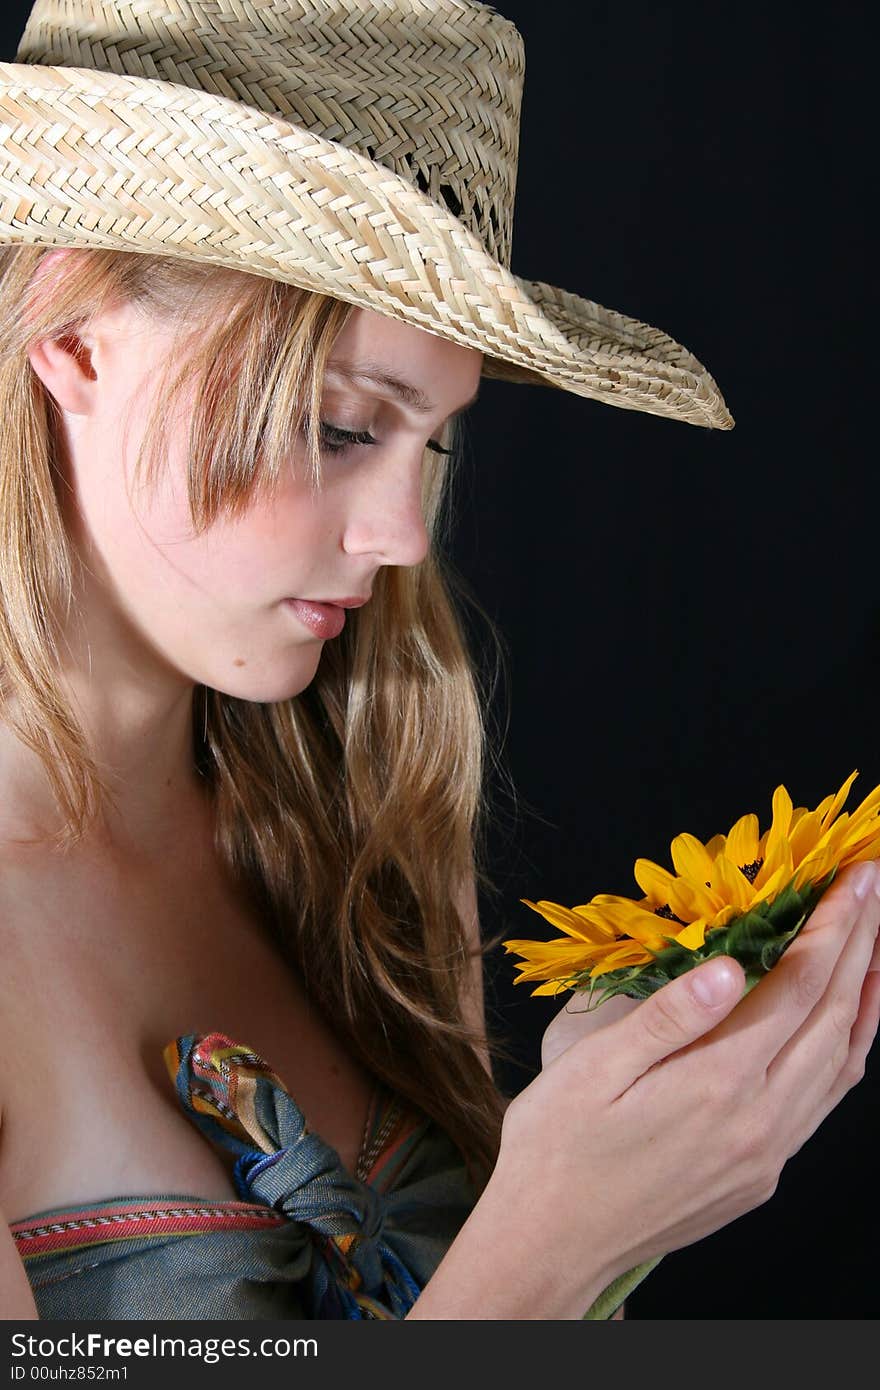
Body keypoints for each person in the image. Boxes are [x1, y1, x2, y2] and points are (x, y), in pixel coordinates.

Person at [0, 0, 877, 1322]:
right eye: (345, 428)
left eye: (436, 443)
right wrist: (556, 1234)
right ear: (73, 339)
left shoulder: (361, 820)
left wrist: (611, 1156)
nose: (403, 535)